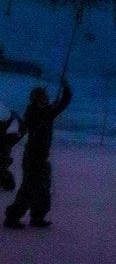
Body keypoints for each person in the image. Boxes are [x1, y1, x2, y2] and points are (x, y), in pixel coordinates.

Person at [4, 78, 72, 229]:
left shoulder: (47, 111)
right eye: (42, 97)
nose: (46, 99)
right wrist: (49, 111)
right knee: (28, 189)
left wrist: (66, 88)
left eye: (46, 97)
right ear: (35, 99)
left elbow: (62, 103)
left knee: (43, 189)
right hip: (32, 158)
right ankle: (12, 218)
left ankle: (37, 217)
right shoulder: (32, 113)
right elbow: (38, 122)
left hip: (42, 159)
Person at [0, 106, 26, 191]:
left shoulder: (8, 139)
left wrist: (12, 118)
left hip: (3, 165)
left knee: (10, 186)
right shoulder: (8, 139)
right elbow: (22, 131)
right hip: (3, 165)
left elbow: (22, 131)